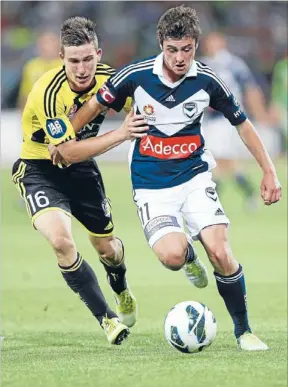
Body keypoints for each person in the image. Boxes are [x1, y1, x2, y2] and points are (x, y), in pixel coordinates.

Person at [65, 6, 282, 351]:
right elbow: (93, 107)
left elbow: (243, 124)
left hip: (195, 177)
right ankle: (189, 258)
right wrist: (65, 137)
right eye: (172, 49)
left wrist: (269, 171)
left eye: (187, 49)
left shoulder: (209, 80)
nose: (180, 58)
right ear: (161, 45)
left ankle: (244, 332)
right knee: (173, 257)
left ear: (196, 45)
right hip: (152, 186)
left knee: (222, 253)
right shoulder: (135, 76)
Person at [12, 16, 147, 345]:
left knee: (109, 249)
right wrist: (121, 133)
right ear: (62, 58)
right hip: (39, 169)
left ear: (98, 54)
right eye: (74, 60)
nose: (82, 68)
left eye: (88, 59)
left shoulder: (110, 80)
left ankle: (121, 286)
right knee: (61, 242)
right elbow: (67, 152)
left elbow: (142, 109)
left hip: (84, 173)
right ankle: (107, 319)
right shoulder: (47, 91)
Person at [200, 32, 271, 210]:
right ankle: (247, 194)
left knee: (218, 159)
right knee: (223, 161)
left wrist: (260, 114)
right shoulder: (205, 63)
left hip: (226, 120)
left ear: (222, 43)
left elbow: (250, 90)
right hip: (211, 120)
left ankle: (217, 198)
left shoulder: (233, 65)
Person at [18, 31, 62, 110]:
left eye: (50, 42)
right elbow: (25, 94)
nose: (46, 46)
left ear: (58, 45)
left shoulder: (67, 65)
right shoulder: (31, 66)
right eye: (43, 43)